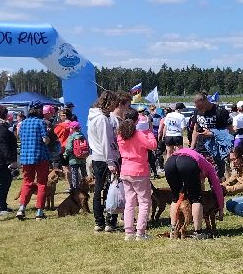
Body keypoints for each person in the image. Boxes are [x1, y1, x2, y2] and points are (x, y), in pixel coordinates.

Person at [164, 146, 225, 240]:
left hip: (170, 162)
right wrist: (221, 208)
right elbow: (217, 187)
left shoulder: (194, 155)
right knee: (196, 198)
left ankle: (173, 230)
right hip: (187, 162)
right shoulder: (209, 166)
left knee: (175, 197)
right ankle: (198, 232)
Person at [116, 108, 157, 240]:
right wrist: (148, 131)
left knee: (130, 202)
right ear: (136, 120)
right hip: (139, 171)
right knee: (144, 202)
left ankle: (128, 232)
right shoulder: (139, 134)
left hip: (125, 170)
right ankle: (140, 232)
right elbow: (153, 145)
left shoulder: (120, 135)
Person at [87, 91, 122, 232]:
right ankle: (106, 221)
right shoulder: (101, 119)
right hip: (105, 158)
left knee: (100, 189)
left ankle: (100, 221)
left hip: (97, 156)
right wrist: (111, 161)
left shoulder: (93, 116)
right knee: (109, 190)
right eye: (114, 103)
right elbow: (105, 141)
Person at [15, 102, 51, 220]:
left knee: (27, 182)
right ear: (40, 110)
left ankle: (21, 208)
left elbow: (19, 137)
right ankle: (39, 211)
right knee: (41, 183)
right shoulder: (40, 122)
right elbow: (45, 140)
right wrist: (49, 140)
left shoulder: (22, 123)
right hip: (40, 156)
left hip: (26, 157)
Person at [189, 92, 232, 177]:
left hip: (217, 148)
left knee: (217, 176)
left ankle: (218, 189)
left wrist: (213, 133)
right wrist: (192, 147)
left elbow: (229, 130)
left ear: (205, 101)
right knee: (199, 175)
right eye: (198, 107)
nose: (200, 109)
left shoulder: (220, 111)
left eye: (201, 107)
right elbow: (195, 130)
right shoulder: (197, 112)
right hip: (201, 147)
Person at [0, 104, 18, 216]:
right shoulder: (0, 127)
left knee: (5, 182)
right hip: (1, 160)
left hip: (2, 159)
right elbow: (2, 144)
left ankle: (2, 205)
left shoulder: (1, 126)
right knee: (1, 183)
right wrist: (10, 159)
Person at [63, 119, 89, 194]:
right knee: (84, 173)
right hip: (83, 158)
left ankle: (75, 189)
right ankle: (86, 186)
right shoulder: (82, 135)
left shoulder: (71, 136)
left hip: (74, 159)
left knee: (74, 174)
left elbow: (69, 148)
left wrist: (65, 154)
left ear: (72, 128)